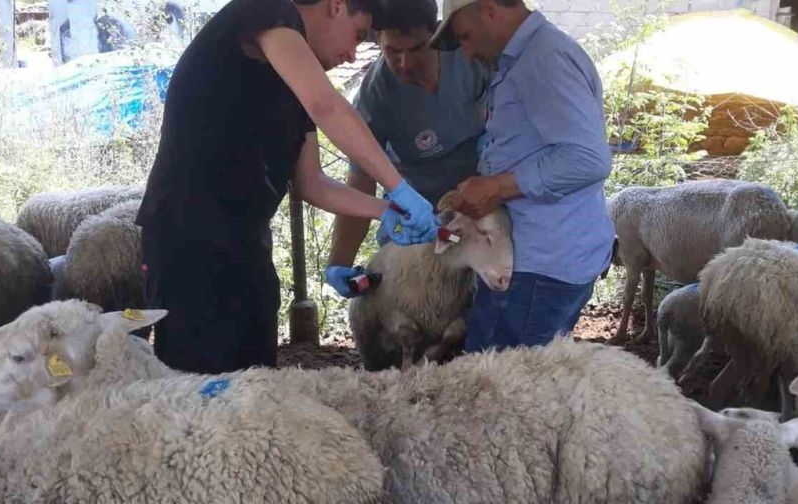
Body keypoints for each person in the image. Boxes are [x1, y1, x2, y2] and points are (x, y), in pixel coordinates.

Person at [135, 0, 440, 374]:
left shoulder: (292, 83)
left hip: (247, 246)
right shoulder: (264, 11)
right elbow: (326, 105)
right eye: (358, 36)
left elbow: (312, 183)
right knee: (197, 386)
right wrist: (399, 186)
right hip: (189, 244)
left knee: (257, 382)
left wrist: (388, 211)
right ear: (336, 5)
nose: (350, 55)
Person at [429, 0, 616, 350]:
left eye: (466, 37)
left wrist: (497, 187)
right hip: (532, 262)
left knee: (500, 392)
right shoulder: (526, 58)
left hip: (538, 269)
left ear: (488, 9)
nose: (467, 54)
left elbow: (587, 159)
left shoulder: (544, 60)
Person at [324, 0, 489, 296]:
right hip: (416, 229)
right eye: (392, 52)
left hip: (482, 210)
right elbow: (361, 181)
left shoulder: (472, 60)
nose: (405, 63)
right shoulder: (376, 95)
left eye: (416, 49)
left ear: (437, 33)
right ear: (378, 43)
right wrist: (339, 262)